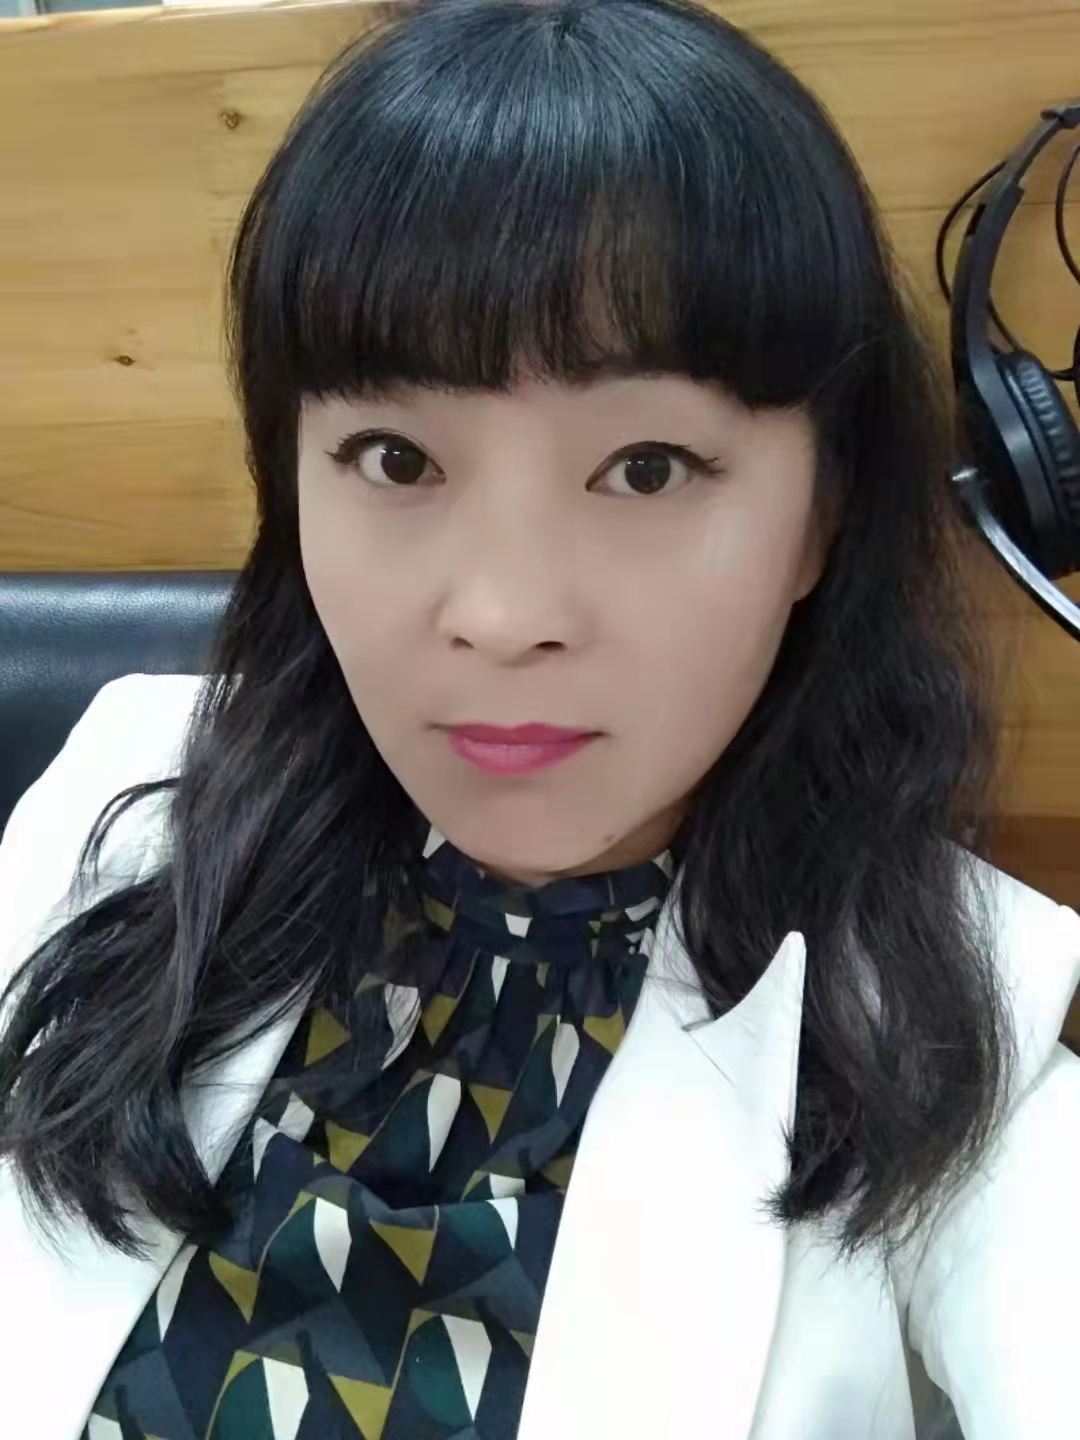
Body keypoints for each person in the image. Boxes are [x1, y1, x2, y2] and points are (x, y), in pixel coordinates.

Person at [1, 0, 1078, 1435]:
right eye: (395, 457)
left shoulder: (959, 1024)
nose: (502, 615)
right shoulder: (127, 798)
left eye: (647, 468)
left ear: (822, 516)